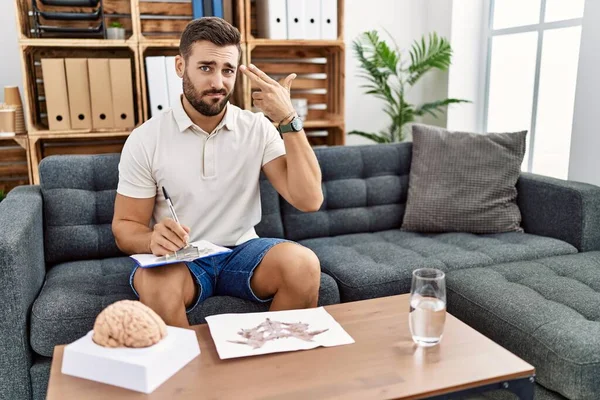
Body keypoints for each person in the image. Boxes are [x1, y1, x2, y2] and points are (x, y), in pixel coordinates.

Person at [111, 17, 323, 328]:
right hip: (181, 258)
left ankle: (276, 371)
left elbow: (309, 200)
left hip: (244, 251)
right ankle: (189, 376)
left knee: (303, 264)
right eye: (206, 68)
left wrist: (288, 119)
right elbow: (125, 227)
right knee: (156, 284)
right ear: (181, 66)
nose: (218, 83)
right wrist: (151, 239)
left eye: (228, 70)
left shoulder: (257, 128)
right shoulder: (146, 139)